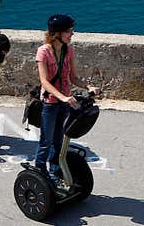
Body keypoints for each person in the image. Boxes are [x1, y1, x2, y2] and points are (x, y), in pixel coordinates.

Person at [34, 14, 100, 178]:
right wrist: (62, 97)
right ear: (56, 34)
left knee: (59, 141)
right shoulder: (43, 52)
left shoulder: (69, 50)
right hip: (50, 103)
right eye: (68, 31)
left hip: (65, 103)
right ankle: (39, 172)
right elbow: (44, 82)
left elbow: (73, 78)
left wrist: (88, 86)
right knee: (46, 142)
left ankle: (55, 172)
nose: (71, 34)